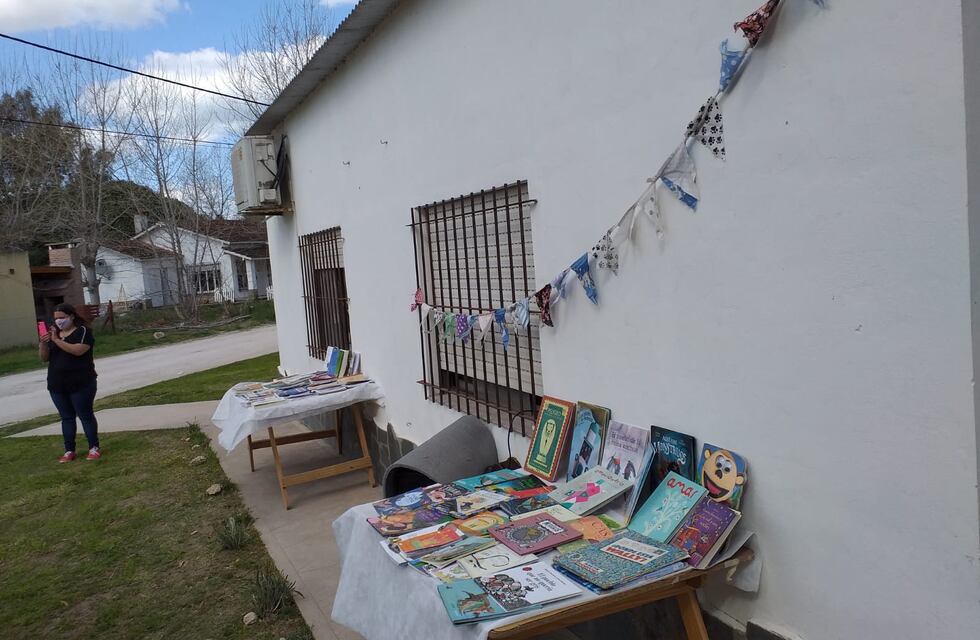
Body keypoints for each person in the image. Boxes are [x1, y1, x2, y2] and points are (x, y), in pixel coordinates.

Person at [39, 303, 101, 462]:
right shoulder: (54, 334)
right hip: (57, 384)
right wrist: (44, 342)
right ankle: (69, 450)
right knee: (66, 418)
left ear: (72, 316)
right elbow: (44, 358)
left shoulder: (83, 331)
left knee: (85, 415)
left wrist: (56, 340)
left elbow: (77, 351)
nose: (59, 321)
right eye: (56, 318)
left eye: (62, 317)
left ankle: (94, 447)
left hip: (81, 382)